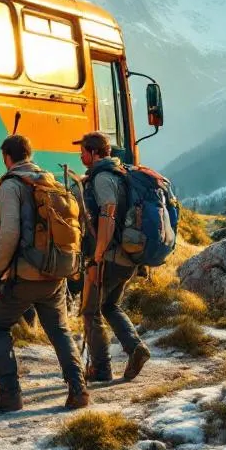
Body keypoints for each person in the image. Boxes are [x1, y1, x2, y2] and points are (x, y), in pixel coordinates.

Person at [0, 135, 90, 412]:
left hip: (26, 275)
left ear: (7, 157)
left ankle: (9, 394)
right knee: (60, 330)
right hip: (55, 273)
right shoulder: (48, 180)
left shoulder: (11, 185)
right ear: (29, 154)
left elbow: (9, 234)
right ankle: (78, 390)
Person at [77, 131, 151, 383]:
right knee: (109, 305)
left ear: (93, 152)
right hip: (127, 256)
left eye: (83, 152)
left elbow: (107, 215)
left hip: (110, 257)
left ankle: (101, 368)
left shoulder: (103, 178)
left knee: (90, 311)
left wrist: (98, 255)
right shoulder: (120, 173)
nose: (81, 156)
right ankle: (135, 347)